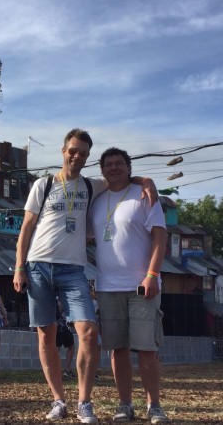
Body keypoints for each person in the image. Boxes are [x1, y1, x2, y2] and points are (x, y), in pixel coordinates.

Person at [14, 128, 157, 424]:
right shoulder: (43, 184)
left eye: (83, 153)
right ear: (63, 151)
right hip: (38, 265)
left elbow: (121, 177)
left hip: (73, 269)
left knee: (90, 334)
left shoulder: (93, 185)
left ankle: (84, 402)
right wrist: (18, 267)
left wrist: (147, 181)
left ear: (88, 157)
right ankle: (58, 400)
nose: (77, 156)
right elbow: (26, 228)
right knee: (46, 335)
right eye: (73, 151)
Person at [88, 147, 169, 424]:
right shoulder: (97, 200)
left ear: (129, 167)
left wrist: (152, 274)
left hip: (141, 285)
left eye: (119, 163)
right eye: (108, 164)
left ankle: (154, 405)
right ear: (102, 171)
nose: (114, 167)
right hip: (107, 286)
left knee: (147, 348)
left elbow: (160, 237)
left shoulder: (144, 195)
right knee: (118, 349)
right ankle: (125, 404)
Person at [56, 300, 76, 380]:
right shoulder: (61, 297)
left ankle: (58, 370)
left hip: (59, 323)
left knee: (59, 347)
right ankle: (64, 370)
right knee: (58, 347)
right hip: (62, 324)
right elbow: (61, 307)